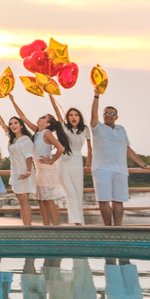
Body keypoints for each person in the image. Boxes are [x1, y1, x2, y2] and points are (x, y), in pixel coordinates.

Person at [89, 94, 150, 225]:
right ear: (103, 115)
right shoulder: (97, 128)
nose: (108, 115)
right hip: (102, 169)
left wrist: (143, 164)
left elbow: (127, 149)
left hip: (120, 170)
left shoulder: (121, 129)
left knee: (118, 200)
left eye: (111, 114)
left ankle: (118, 229)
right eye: (106, 113)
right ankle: (108, 228)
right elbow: (93, 114)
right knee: (103, 200)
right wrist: (96, 96)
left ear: (116, 117)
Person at [0, 100, 35, 225]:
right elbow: (1, 124)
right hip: (15, 173)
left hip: (24, 173)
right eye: (11, 123)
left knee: (24, 200)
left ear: (21, 125)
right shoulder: (12, 139)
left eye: (15, 123)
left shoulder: (26, 139)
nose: (12, 125)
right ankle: (25, 225)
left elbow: (29, 157)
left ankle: (28, 227)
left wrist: (27, 172)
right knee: (21, 201)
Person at [51, 96, 93, 225]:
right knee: (69, 190)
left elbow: (90, 149)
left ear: (79, 117)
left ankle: (79, 221)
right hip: (63, 160)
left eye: (76, 115)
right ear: (67, 117)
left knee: (77, 190)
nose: (73, 117)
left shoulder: (85, 129)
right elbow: (57, 111)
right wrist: (50, 95)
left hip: (77, 160)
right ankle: (75, 220)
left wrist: (88, 165)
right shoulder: (63, 127)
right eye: (70, 115)